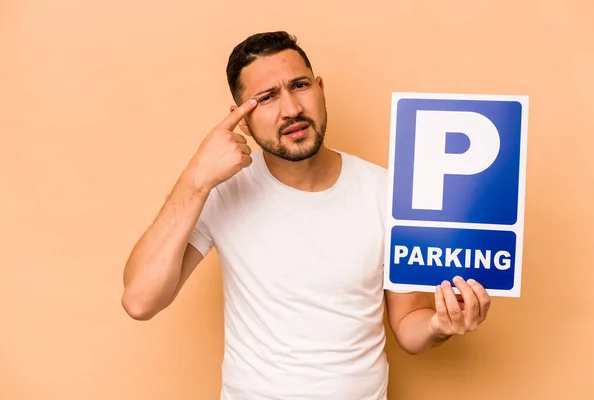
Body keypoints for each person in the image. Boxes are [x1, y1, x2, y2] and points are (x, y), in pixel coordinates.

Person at [121, 31, 492, 400]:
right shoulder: (221, 190)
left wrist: (440, 324)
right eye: (266, 98)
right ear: (242, 120)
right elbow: (140, 300)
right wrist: (196, 178)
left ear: (320, 89)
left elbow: (409, 326)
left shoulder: (387, 193)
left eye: (299, 86)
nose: (291, 109)